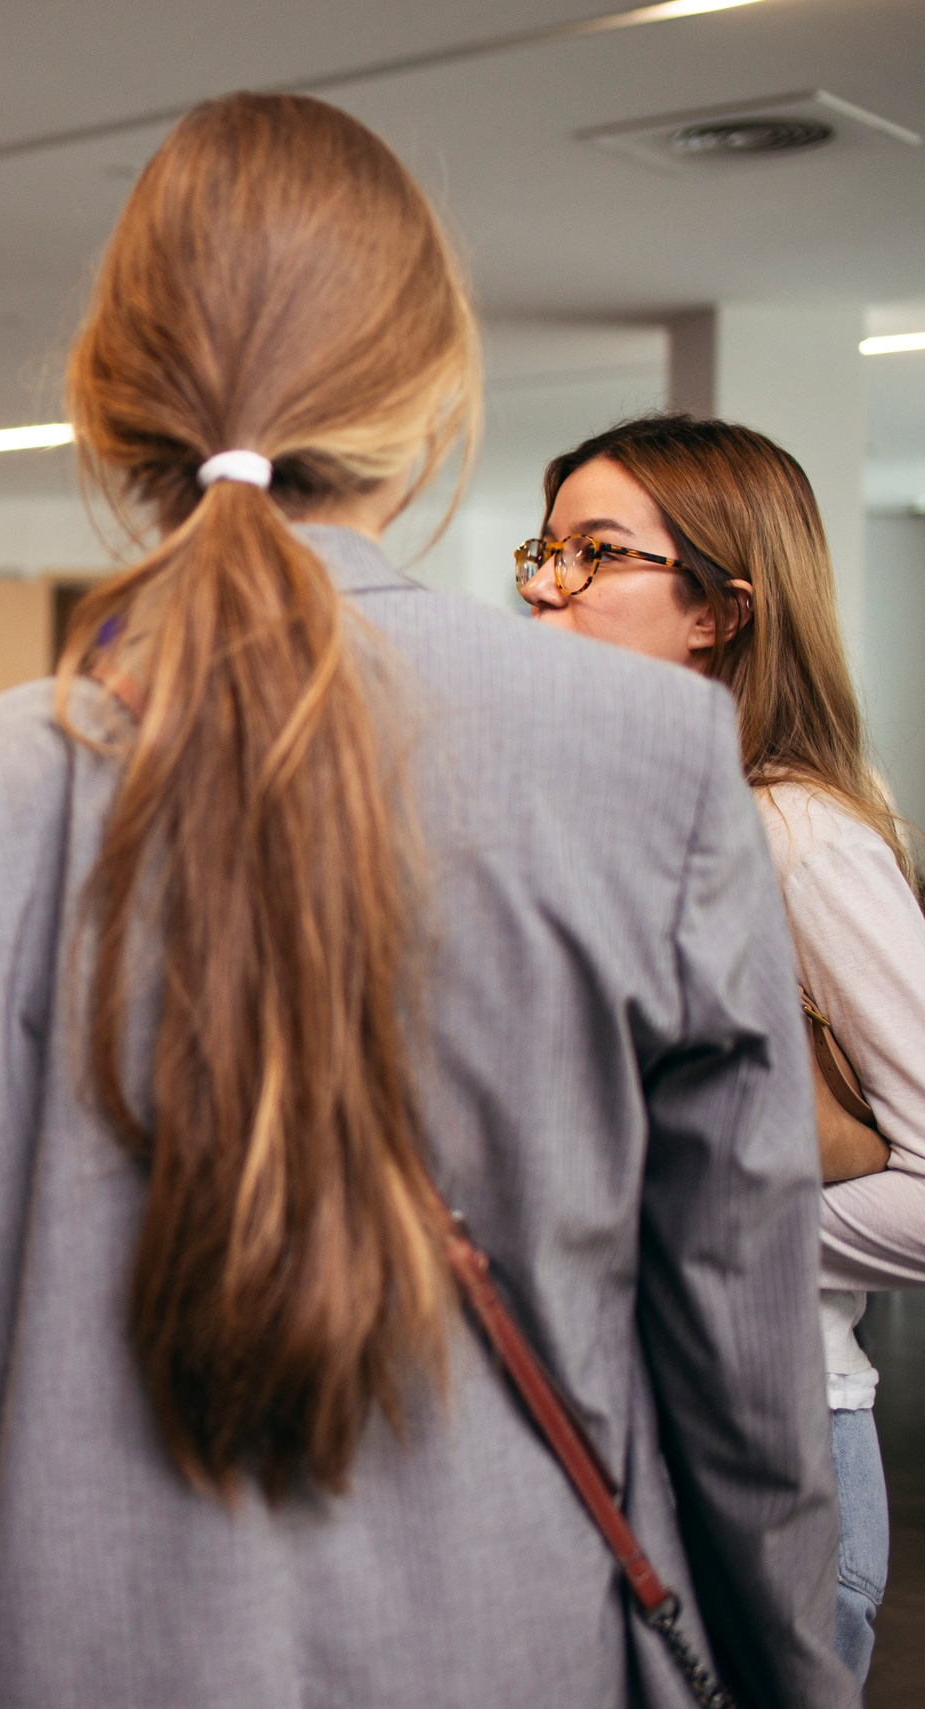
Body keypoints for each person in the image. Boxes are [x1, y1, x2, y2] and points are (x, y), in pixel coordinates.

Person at [0, 94, 850, 1708]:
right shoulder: (650, 761)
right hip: (519, 1647)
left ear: (112, 398)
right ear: (431, 396)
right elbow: (743, 1365)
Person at [520, 412, 925, 1685]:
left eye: (595, 552)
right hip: (619, 1437)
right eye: (544, 548)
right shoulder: (616, 814)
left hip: (772, 1448)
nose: (543, 584)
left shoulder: (795, 837)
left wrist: (698, 1230)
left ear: (717, 611)